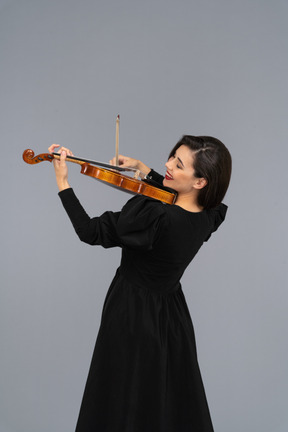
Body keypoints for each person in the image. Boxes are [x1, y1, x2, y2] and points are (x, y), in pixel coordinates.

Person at [48, 135, 232, 432]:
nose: (168, 165)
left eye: (178, 165)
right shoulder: (209, 216)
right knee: (160, 397)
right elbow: (175, 197)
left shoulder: (155, 217)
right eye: (172, 157)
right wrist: (145, 170)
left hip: (131, 312)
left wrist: (63, 183)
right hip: (171, 316)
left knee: (121, 396)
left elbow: (89, 231)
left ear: (200, 182)